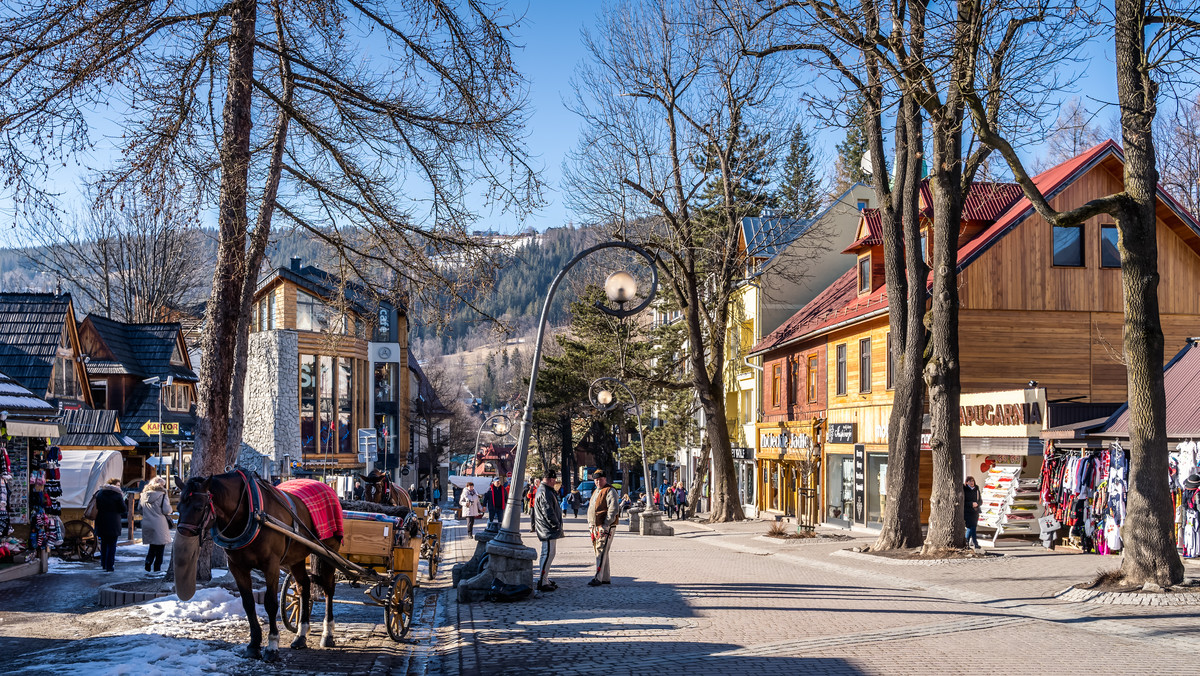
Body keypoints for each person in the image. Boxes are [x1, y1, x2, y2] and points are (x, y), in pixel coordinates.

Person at [586, 470, 619, 587]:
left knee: (600, 550)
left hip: (605, 526)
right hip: (595, 525)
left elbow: (613, 509)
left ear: (605, 479)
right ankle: (605, 577)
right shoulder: (596, 491)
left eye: (600, 479)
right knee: (602, 551)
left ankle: (598, 577)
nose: (598, 481)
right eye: (596, 480)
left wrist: (606, 523)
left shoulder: (610, 490)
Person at [533, 470, 564, 592]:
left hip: (546, 527)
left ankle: (544, 578)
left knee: (547, 553)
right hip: (548, 528)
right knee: (548, 554)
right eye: (555, 480)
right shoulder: (545, 492)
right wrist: (556, 524)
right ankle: (542, 580)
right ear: (551, 479)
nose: (555, 482)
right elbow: (548, 511)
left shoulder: (544, 490)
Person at [90, 478, 126, 572]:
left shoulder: (100, 493)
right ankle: (110, 565)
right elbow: (123, 509)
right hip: (113, 521)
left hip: (101, 520)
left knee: (104, 544)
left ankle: (103, 564)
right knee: (112, 544)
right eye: (118, 485)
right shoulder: (117, 495)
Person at [139, 477, 173, 573]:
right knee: (160, 546)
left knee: (152, 545)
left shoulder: (144, 495)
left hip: (147, 522)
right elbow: (166, 510)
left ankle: (148, 561)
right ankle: (157, 568)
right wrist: (170, 509)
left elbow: (140, 509)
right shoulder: (162, 494)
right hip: (159, 523)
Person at [964, 476, 982, 548]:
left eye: (973, 481)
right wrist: (971, 504)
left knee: (973, 527)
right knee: (970, 527)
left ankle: (971, 543)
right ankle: (971, 542)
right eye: (970, 481)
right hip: (968, 511)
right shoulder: (964, 489)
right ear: (967, 482)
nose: (972, 482)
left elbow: (980, 500)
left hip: (975, 511)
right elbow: (963, 501)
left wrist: (978, 504)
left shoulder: (976, 489)